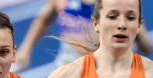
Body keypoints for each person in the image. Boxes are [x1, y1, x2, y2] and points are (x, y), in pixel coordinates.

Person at [14, 0, 151, 72]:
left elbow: (145, 47)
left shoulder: (116, 4)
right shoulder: (62, 0)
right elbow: (44, 19)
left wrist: (135, 33)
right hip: (67, 68)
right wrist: (25, 49)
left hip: (104, 72)